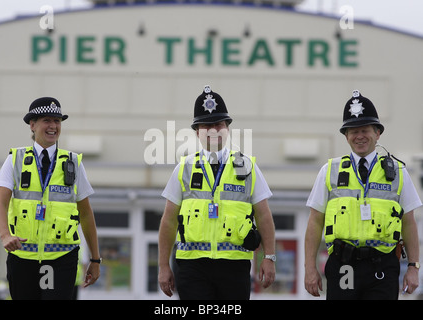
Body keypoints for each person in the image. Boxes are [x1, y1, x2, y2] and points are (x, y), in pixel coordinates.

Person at [158, 85, 276, 299]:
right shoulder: (184, 168)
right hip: (192, 267)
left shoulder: (246, 166)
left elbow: (264, 215)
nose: (213, 130)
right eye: (207, 126)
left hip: (234, 266)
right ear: (197, 131)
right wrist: (163, 265)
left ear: (227, 128)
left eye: (218, 124)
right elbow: (168, 221)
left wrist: (269, 257)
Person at [304, 90, 421, 299]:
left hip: (383, 265)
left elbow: (409, 222)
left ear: (378, 133)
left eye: (365, 130)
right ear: (346, 136)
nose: (359, 136)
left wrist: (413, 267)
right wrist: (309, 268)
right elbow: (315, 221)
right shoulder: (329, 171)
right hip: (343, 264)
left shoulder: (398, 172)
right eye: (353, 131)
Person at [0, 97, 101, 300]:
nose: (53, 126)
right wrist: (5, 235)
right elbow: (1, 202)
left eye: (57, 121)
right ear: (32, 125)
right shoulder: (14, 159)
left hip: (60, 259)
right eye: (47, 120)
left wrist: (95, 259)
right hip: (22, 257)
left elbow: (86, 214)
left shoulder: (74, 163)